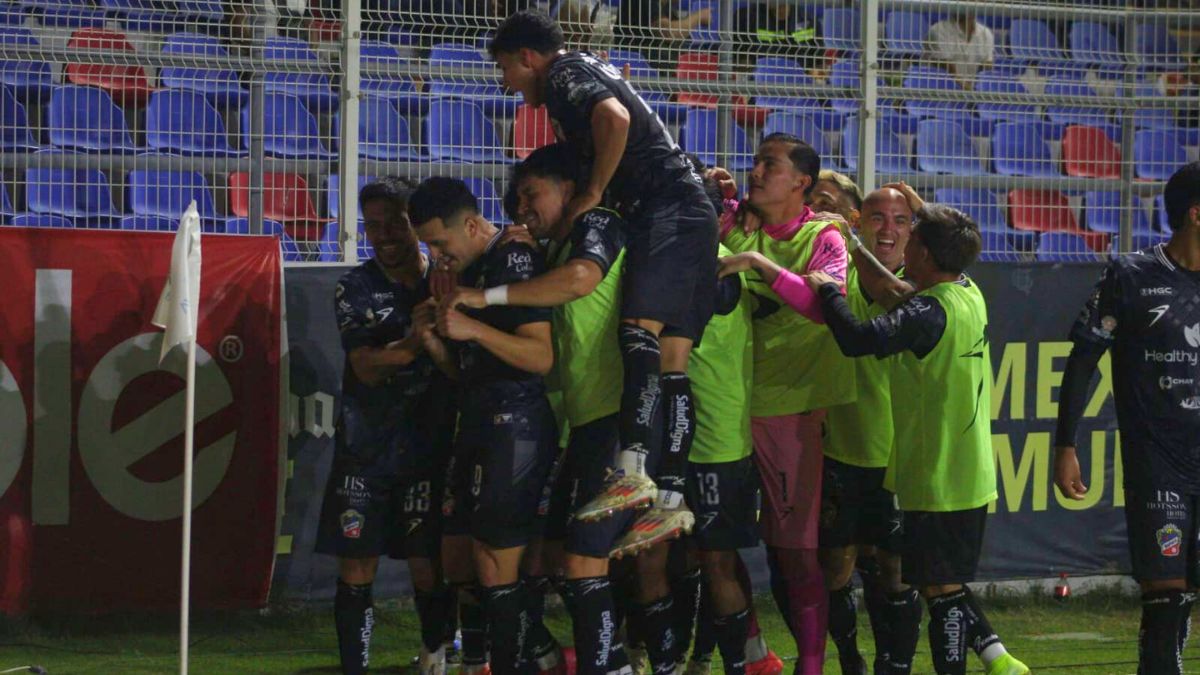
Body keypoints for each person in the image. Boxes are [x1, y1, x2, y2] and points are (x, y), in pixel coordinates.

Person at [490, 10, 720, 551]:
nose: (506, 83)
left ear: (527, 57)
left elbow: (614, 118)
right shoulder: (586, 68)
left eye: (505, 69)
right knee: (672, 358)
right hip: (688, 210)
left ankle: (632, 469)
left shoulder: (564, 74)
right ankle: (669, 499)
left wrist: (593, 192)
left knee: (638, 330)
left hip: (667, 209)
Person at [806, 203, 1028, 675]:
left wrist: (827, 291)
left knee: (941, 595)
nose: (903, 246)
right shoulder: (967, 290)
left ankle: (982, 662)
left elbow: (858, 339)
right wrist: (857, 242)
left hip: (937, 475)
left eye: (912, 238)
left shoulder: (927, 312)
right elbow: (899, 291)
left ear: (923, 252)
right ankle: (997, 658)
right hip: (969, 472)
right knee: (941, 584)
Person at [714, 134, 855, 674]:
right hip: (723, 405)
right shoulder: (732, 220)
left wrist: (756, 262)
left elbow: (824, 308)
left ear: (801, 182)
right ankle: (753, 654)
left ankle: (810, 666)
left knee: (797, 555)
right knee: (710, 544)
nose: (755, 171)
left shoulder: (824, 237)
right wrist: (712, 188)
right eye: (754, 162)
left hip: (789, 413)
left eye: (768, 165)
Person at [408, 177, 560, 675]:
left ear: (472, 225)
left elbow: (540, 357)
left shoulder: (513, 260)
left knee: (496, 565)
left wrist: (472, 326)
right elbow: (467, 371)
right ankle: (533, 655)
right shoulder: (469, 270)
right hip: (476, 419)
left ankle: (523, 662)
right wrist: (436, 343)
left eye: (439, 244)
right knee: (459, 560)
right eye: (428, 247)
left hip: (515, 422)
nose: (435, 257)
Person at [1055, 161, 1200, 675]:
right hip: (1158, 464)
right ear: (1196, 214)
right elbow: (1083, 359)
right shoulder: (1131, 276)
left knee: (1183, 597)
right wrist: (1065, 445)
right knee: (1165, 595)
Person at [314, 177, 455, 675]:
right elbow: (366, 367)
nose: (384, 235)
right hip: (366, 448)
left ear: (414, 224)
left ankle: (435, 656)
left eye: (394, 223)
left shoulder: (446, 279)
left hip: (428, 446)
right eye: (372, 226)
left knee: (428, 564)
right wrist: (416, 340)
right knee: (357, 566)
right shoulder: (354, 286)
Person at [819, 187, 921, 675]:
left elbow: (895, 294)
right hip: (838, 447)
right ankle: (849, 660)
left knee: (895, 570)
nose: (888, 229)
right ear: (859, 221)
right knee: (834, 569)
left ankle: (892, 665)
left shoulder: (920, 286)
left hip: (896, 456)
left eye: (900, 220)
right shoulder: (837, 270)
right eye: (877, 218)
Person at [924, 14, 995, 87]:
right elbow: (950, 74)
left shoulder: (986, 33)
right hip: (938, 88)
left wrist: (978, 88)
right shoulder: (938, 31)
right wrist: (971, 91)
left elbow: (987, 69)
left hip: (971, 90)